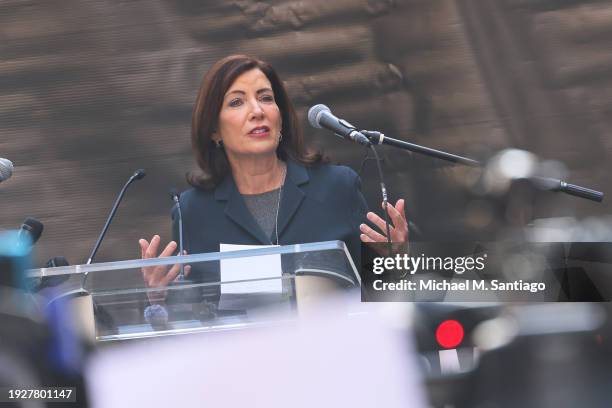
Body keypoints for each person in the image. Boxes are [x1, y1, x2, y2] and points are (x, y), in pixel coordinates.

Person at [138, 55, 408, 295]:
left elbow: (381, 297)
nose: (257, 111)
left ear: (281, 119)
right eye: (236, 102)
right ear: (214, 130)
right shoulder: (192, 211)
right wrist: (159, 299)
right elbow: (193, 316)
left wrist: (397, 263)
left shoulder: (337, 187)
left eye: (266, 98)